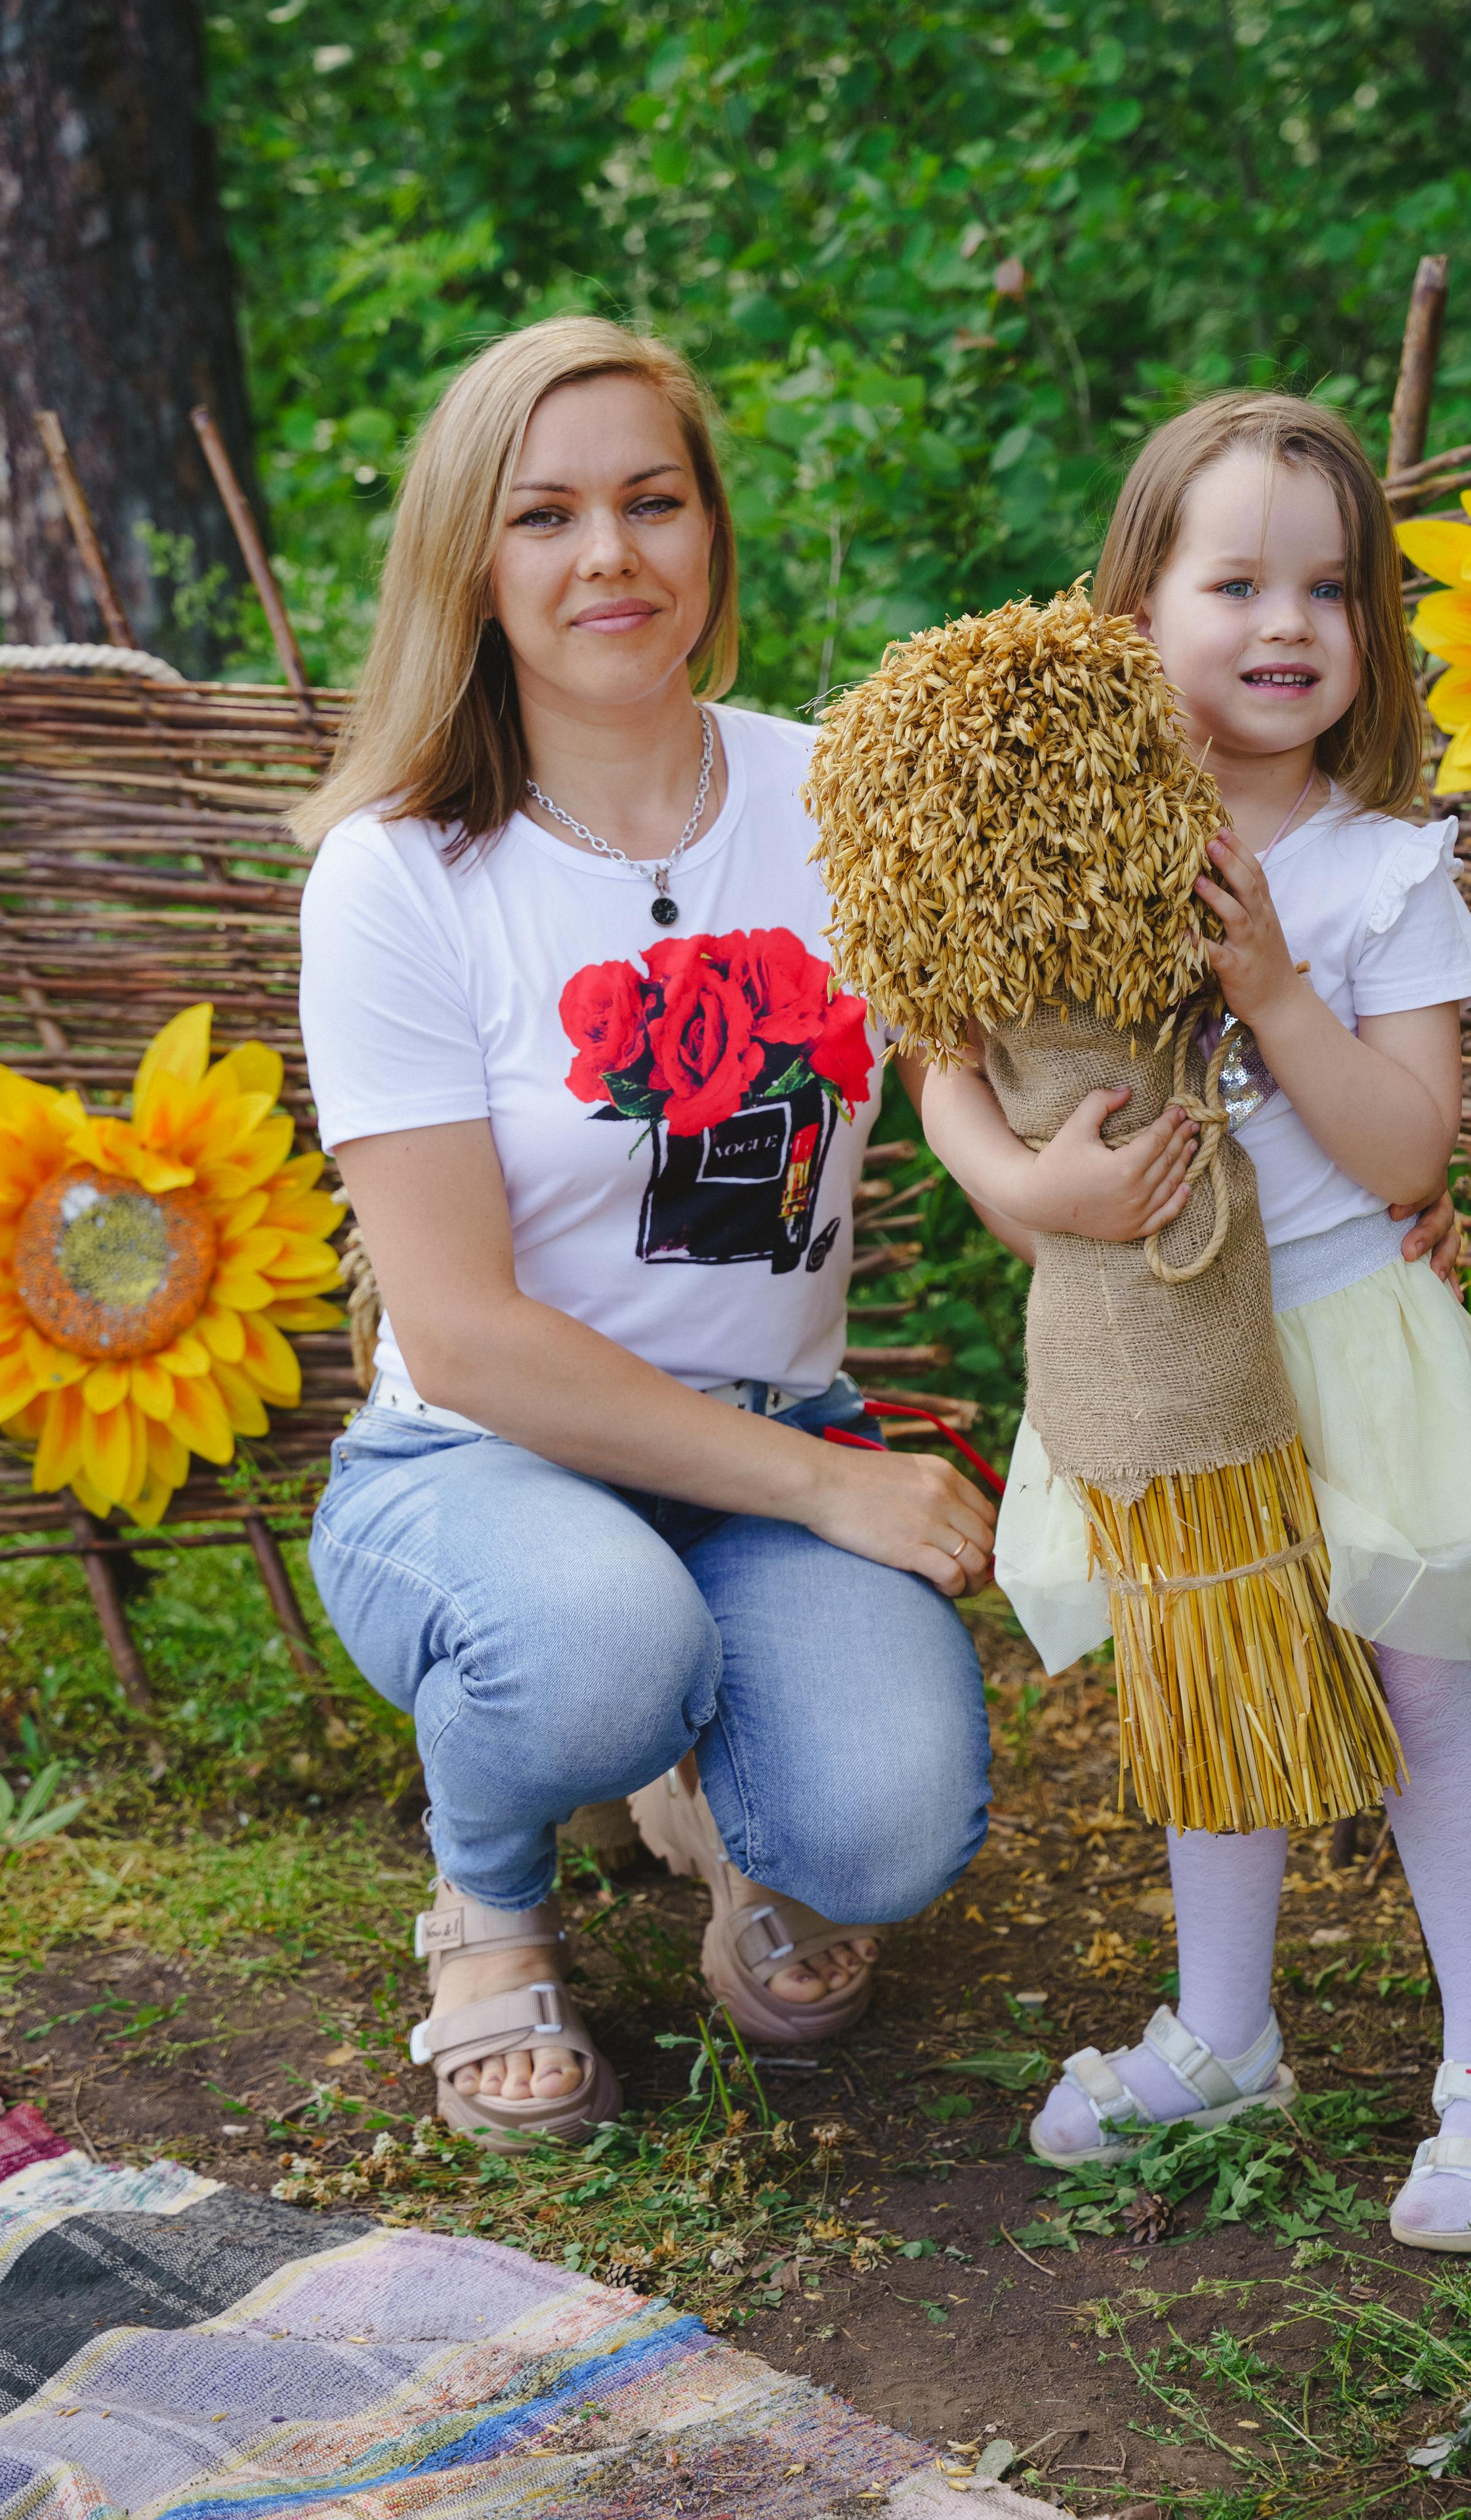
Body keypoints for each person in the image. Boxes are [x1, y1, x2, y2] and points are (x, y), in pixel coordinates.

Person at [291, 314, 999, 2152]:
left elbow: (981, 1088)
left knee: (887, 1830)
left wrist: (1317, 1171)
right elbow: (464, 1333)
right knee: (598, 1650)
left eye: (651, 501)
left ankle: (726, 1807)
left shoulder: (838, 800)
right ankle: (490, 1897)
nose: (608, 554)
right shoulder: (397, 873)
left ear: (711, 533)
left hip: (766, 1429)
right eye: (545, 515)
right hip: (479, 1464)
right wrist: (835, 1489)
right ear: (472, 563)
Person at [916, 391, 1471, 2256]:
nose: (1290, 625)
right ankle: (1224, 2032)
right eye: (1238, 584)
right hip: (1161, 1347)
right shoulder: (1060, 841)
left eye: (1332, 589)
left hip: (1348, 1337)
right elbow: (941, 1060)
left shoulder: (1380, 866)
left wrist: (1277, 991)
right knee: (1208, 1673)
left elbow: (1411, 1145)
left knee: (1417, 1694)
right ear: (1134, 611)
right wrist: (1024, 1188)